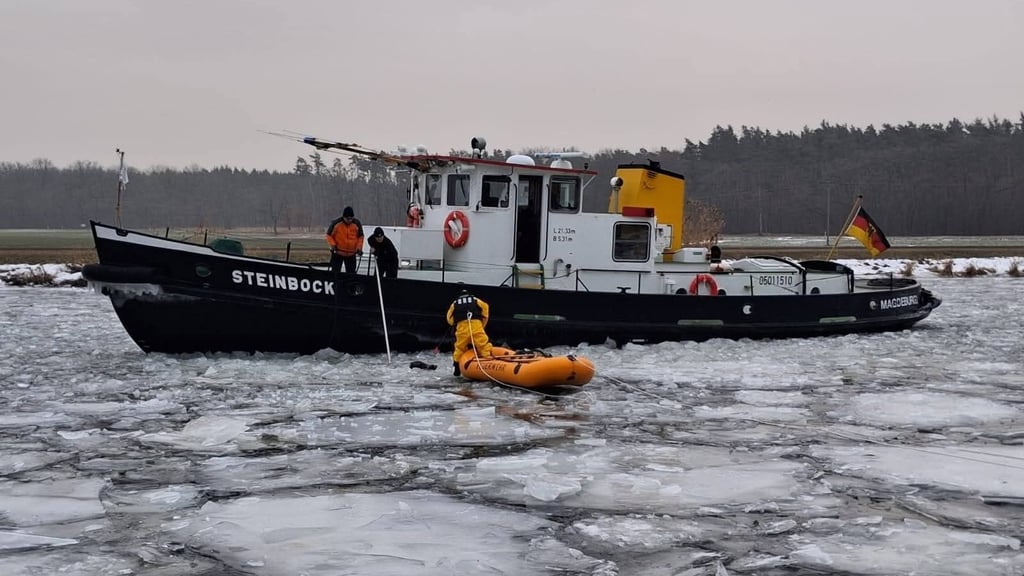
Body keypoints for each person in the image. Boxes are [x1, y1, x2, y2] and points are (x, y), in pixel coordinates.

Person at [446, 289, 492, 376]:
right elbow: (485, 307)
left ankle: (457, 369)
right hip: (476, 325)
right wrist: (483, 322)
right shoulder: (476, 300)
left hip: (462, 328)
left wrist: (455, 323)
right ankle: (489, 365)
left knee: (459, 348)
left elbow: (449, 318)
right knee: (483, 345)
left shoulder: (455, 304)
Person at [325, 206, 364, 274]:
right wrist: (333, 244)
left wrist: (359, 248)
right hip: (338, 253)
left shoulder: (357, 223)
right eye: (347, 219)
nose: (349, 220)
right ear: (343, 217)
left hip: (351, 254)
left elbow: (360, 236)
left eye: (351, 218)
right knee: (335, 273)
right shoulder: (336, 223)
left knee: (351, 275)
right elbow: (329, 235)